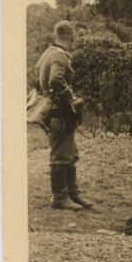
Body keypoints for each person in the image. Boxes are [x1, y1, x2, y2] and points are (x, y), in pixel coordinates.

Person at [36, 21, 92, 210]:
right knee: (60, 155)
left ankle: (72, 193)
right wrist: (71, 98)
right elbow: (55, 79)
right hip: (59, 111)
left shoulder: (48, 53)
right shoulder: (60, 56)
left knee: (70, 153)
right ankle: (60, 198)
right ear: (71, 36)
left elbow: (40, 75)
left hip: (56, 110)